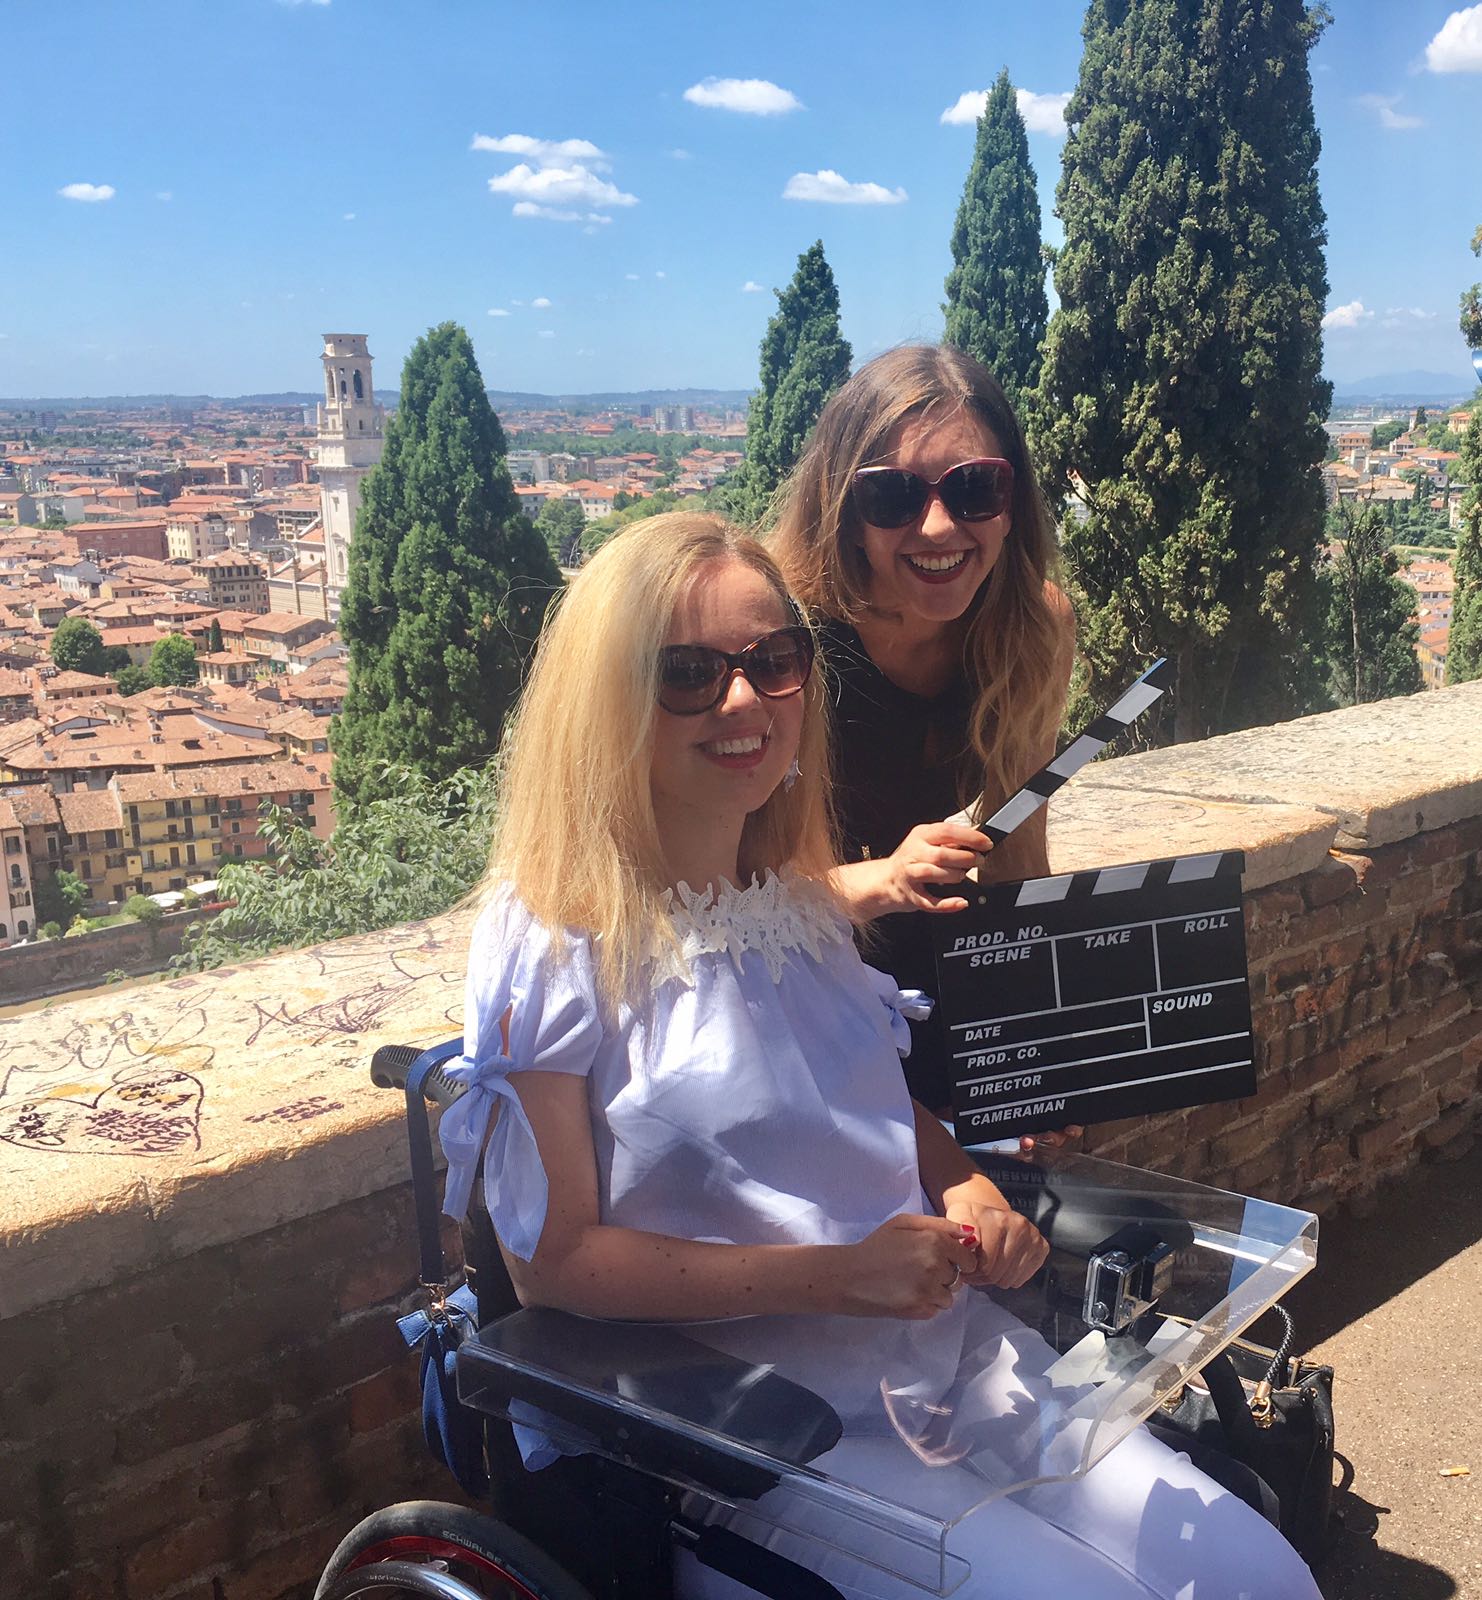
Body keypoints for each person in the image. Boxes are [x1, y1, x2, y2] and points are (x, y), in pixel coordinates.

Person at [441, 511, 1320, 1600]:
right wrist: (835, 1274)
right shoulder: (553, 940)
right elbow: (554, 1263)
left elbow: (866, 1099)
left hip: (942, 1361)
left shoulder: (792, 903)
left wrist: (962, 1186)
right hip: (751, 1438)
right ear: (607, 702)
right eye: (688, 673)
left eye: (774, 660)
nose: (744, 700)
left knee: (1261, 1576)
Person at [771, 346, 1077, 1121]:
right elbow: (720, 893)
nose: (939, 526)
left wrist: (1037, 1046)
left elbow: (1019, 856)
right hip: (790, 1001)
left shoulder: (1034, 628)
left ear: (1013, 501)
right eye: (894, 496)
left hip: (941, 986)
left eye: (975, 488)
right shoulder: (780, 641)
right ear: (844, 509)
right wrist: (881, 879)